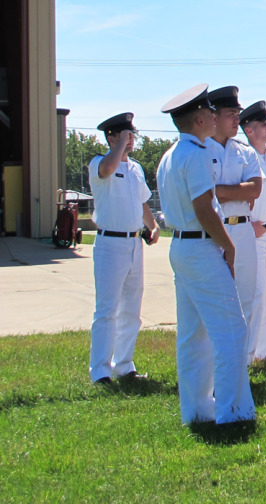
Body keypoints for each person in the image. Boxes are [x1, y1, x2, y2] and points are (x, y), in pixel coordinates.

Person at [156, 84, 254, 425]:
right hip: (200, 245)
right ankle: (233, 411)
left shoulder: (170, 155)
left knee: (193, 335)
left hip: (181, 245)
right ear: (199, 119)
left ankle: (197, 410)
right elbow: (204, 208)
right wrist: (227, 243)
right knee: (231, 330)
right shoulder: (196, 153)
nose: (215, 117)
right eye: (211, 113)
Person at [88, 112, 159, 384]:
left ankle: (124, 364)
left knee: (131, 307)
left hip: (133, 244)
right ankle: (100, 370)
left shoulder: (136, 169)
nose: (132, 140)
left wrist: (152, 226)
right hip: (110, 244)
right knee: (107, 309)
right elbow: (106, 169)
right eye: (127, 135)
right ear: (112, 136)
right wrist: (118, 147)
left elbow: (142, 202)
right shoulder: (100, 163)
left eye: (133, 135)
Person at [206, 86, 263, 358]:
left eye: (237, 114)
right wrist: (234, 189)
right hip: (214, 228)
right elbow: (201, 193)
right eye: (230, 114)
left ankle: (244, 360)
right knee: (215, 298)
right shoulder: (201, 149)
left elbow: (255, 189)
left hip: (242, 228)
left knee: (246, 296)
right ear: (213, 116)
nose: (236, 120)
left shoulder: (245, 152)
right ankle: (216, 359)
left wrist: (220, 190)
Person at [241, 100, 266, 362]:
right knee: (254, 296)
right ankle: (248, 353)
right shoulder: (244, 159)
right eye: (262, 125)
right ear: (249, 131)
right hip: (254, 235)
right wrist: (247, 223)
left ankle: (265, 353)